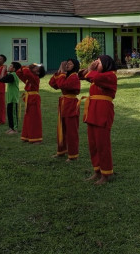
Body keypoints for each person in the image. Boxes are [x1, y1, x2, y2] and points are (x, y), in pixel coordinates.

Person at [79, 55, 117, 185]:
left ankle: (106, 174)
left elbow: (94, 76)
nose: (95, 64)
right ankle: (97, 171)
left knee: (102, 144)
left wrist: (91, 69)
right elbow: (82, 75)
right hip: (92, 111)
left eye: (99, 62)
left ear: (106, 64)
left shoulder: (110, 75)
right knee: (93, 143)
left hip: (103, 111)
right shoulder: (97, 76)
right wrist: (91, 67)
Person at [49, 58, 81, 161]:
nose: (67, 65)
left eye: (70, 64)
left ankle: (73, 155)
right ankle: (61, 151)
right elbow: (52, 84)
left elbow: (62, 85)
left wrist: (62, 73)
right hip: (63, 104)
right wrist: (59, 71)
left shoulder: (74, 77)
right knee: (61, 129)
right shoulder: (66, 76)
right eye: (66, 64)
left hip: (71, 105)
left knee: (71, 131)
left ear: (75, 66)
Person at [16, 63, 46, 144]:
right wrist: (24, 67)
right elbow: (19, 73)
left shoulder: (35, 78)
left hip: (33, 99)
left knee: (35, 119)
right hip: (29, 98)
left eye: (36, 67)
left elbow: (26, 72)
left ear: (38, 73)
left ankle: (36, 138)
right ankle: (27, 136)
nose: (34, 67)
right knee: (28, 118)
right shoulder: (30, 78)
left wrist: (27, 67)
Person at [0, 61, 22, 134]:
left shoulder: (13, 75)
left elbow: (1, 79)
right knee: (10, 114)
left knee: (13, 114)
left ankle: (15, 129)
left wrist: (3, 69)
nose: (9, 67)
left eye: (11, 66)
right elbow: (2, 79)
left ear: (14, 69)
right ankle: (11, 128)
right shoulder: (11, 74)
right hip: (10, 98)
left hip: (13, 98)